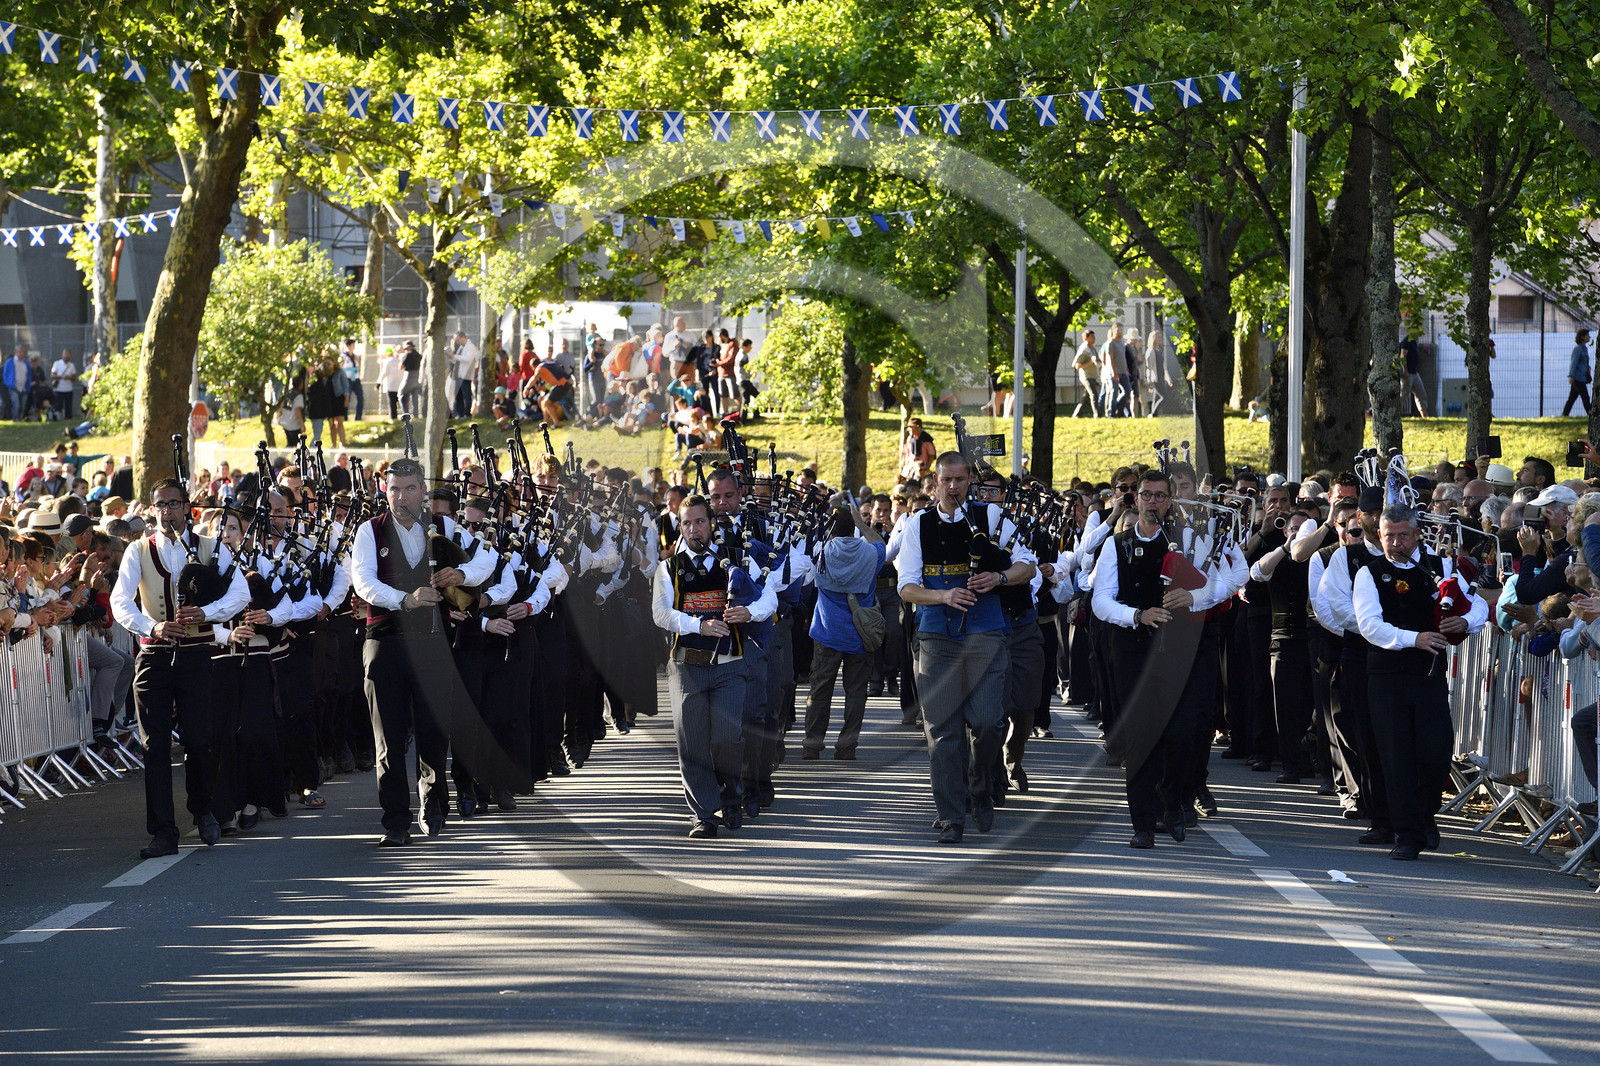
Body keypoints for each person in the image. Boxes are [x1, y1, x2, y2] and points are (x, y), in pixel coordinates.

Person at [350, 458, 495, 845]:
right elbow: (362, 581)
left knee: (434, 732)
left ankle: (432, 808)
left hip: (433, 644)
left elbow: (488, 557)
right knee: (389, 739)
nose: (400, 497)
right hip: (385, 644)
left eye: (409, 488)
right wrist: (404, 599)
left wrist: (462, 575)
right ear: (385, 489)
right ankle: (395, 820)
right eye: (393, 489)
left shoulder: (444, 526)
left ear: (422, 491)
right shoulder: (369, 531)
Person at [896, 451, 1036, 844]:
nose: (954, 487)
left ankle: (980, 782)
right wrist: (942, 597)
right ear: (935, 483)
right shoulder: (916, 525)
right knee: (943, 730)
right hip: (936, 636)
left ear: (970, 482)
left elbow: (1029, 564)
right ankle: (952, 815)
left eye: (961, 480)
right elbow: (906, 586)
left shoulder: (991, 518)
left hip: (987, 633)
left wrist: (999, 577)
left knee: (990, 721)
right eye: (947, 480)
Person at [109, 478, 251, 858]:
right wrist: (151, 625)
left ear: (187, 507)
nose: (168, 511)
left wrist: (206, 612)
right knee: (154, 745)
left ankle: (202, 809)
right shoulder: (138, 551)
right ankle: (163, 831)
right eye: (161, 505)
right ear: (152, 509)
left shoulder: (209, 548)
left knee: (199, 739)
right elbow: (120, 601)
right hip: (154, 655)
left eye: (174, 503)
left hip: (195, 655)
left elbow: (240, 594)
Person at [1352, 504, 1488, 859]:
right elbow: (1370, 625)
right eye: (1388, 536)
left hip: (1428, 676)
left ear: (1416, 535)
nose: (1395, 543)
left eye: (1402, 535)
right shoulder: (1369, 573)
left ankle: (1424, 815)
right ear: (1379, 536)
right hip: (1387, 676)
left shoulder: (1441, 567)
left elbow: (1478, 606)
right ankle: (1407, 835)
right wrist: (1415, 638)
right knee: (1396, 756)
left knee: (1435, 753)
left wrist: (1466, 623)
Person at [650, 492, 772, 838]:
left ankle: (731, 797)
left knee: (727, 737)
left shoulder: (735, 559)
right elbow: (661, 614)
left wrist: (750, 612)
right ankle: (703, 813)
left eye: (699, 521)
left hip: (730, 663)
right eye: (686, 523)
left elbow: (769, 594)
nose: (693, 529)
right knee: (691, 740)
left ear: (711, 523)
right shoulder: (668, 568)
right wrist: (697, 625)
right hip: (687, 665)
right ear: (680, 527)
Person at [803, 498, 884, 759]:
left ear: (831, 531)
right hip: (861, 635)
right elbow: (881, 544)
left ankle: (812, 744)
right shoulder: (870, 554)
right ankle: (847, 745)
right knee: (856, 691)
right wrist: (862, 522)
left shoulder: (821, 552)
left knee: (820, 689)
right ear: (853, 529)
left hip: (827, 632)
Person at [1564, 328, 1592, 417]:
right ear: (1582, 337)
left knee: (1572, 398)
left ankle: (1564, 415)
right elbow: (1574, 362)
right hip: (1577, 377)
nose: (1589, 337)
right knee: (1585, 397)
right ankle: (1591, 415)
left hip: (1582, 377)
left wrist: (1588, 368)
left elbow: (1585, 362)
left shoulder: (1585, 349)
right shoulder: (1578, 349)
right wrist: (1571, 376)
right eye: (1587, 335)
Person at [1400, 334, 1428, 416]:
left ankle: (1425, 416)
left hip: (1415, 373)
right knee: (1403, 396)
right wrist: (1405, 371)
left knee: (1421, 394)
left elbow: (1414, 356)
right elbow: (1402, 356)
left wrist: (1423, 353)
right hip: (1408, 373)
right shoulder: (1407, 340)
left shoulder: (1415, 342)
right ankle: (1392, 415)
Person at [50, 348, 78, 421]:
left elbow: (74, 377)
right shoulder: (57, 363)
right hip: (59, 389)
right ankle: (57, 418)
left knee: (68, 405)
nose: (66, 356)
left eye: (68, 355)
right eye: (65, 354)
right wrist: (61, 377)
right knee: (58, 405)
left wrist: (69, 377)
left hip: (68, 389)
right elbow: (52, 375)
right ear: (62, 355)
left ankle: (68, 418)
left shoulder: (71, 365)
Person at [341, 339, 364, 421]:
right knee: (347, 398)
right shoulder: (343, 356)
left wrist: (358, 361)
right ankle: (344, 417)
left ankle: (358, 417)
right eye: (352, 345)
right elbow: (341, 367)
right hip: (348, 379)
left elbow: (359, 366)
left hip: (356, 379)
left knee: (360, 397)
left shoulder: (356, 356)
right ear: (348, 346)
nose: (353, 347)